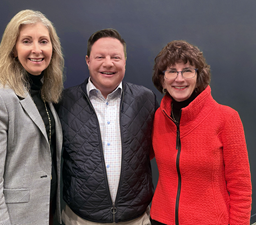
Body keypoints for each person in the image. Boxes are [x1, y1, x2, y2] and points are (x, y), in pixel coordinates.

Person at [0, 9, 64, 225]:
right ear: (13, 48)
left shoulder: (48, 96)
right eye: (27, 41)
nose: (37, 50)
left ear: (52, 48)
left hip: (45, 216)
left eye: (43, 41)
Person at [55, 28, 158, 225]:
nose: (108, 63)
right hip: (80, 220)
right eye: (100, 56)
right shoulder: (64, 102)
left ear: (125, 61)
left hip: (136, 220)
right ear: (88, 61)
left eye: (116, 57)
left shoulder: (145, 99)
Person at [150, 40, 252, 225]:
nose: (179, 79)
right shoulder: (158, 117)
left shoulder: (226, 118)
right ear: (162, 78)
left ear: (198, 76)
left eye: (187, 70)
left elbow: (241, 188)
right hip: (160, 219)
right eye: (172, 71)